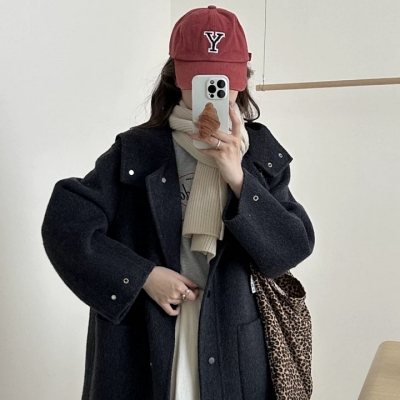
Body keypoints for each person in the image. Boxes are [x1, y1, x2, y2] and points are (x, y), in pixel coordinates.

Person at [41, 5, 315, 400]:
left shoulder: (260, 155)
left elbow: (291, 248)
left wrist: (238, 177)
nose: (214, 91)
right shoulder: (136, 152)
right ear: (176, 77)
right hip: (150, 335)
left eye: (224, 79)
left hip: (233, 340)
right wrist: (142, 276)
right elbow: (66, 222)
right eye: (201, 79)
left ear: (242, 79)